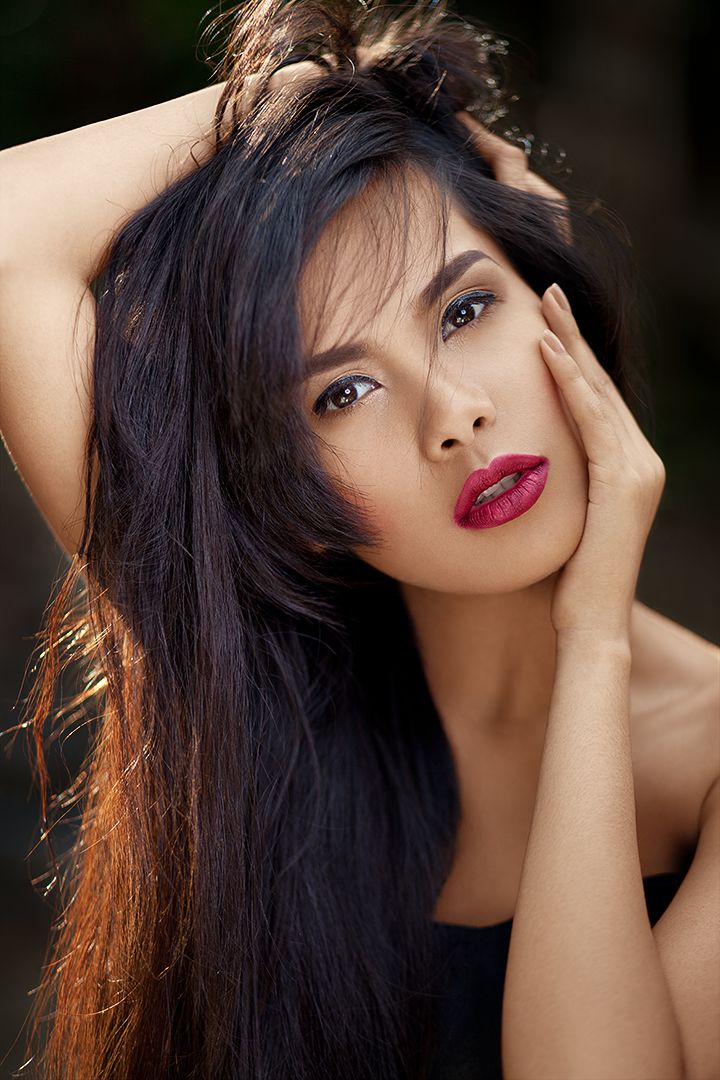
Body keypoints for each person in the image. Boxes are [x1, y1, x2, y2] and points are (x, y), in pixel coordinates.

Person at [0, 1, 718, 1077]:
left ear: (551, 294)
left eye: (466, 311)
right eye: (342, 392)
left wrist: (595, 641)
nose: (452, 416)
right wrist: (311, 96)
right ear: (284, 487)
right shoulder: (250, 676)